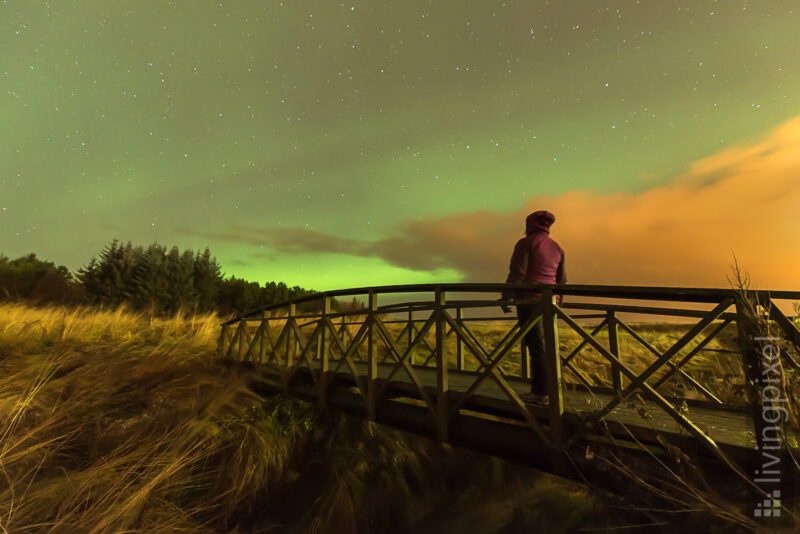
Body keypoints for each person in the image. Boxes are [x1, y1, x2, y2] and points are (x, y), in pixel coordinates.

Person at [501, 210, 566, 405]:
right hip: (550, 303)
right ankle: (554, 390)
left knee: (536, 347)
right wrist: (559, 302)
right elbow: (561, 281)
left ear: (530, 224)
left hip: (529, 301)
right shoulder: (557, 248)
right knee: (548, 346)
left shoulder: (526, 243)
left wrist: (506, 297)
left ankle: (540, 393)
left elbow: (518, 274)